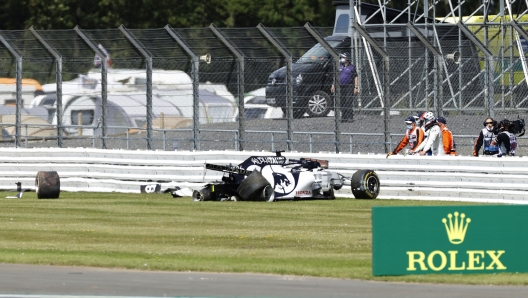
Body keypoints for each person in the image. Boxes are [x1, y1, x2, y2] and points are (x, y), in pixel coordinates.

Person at [330, 52, 358, 122]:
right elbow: (336, 76)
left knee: (348, 101)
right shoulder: (339, 66)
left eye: (344, 57)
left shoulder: (352, 67)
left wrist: (356, 87)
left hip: (349, 86)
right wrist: (333, 85)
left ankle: (350, 117)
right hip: (340, 86)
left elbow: (355, 77)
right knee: (342, 101)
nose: (342, 59)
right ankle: (344, 117)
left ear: (347, 58)